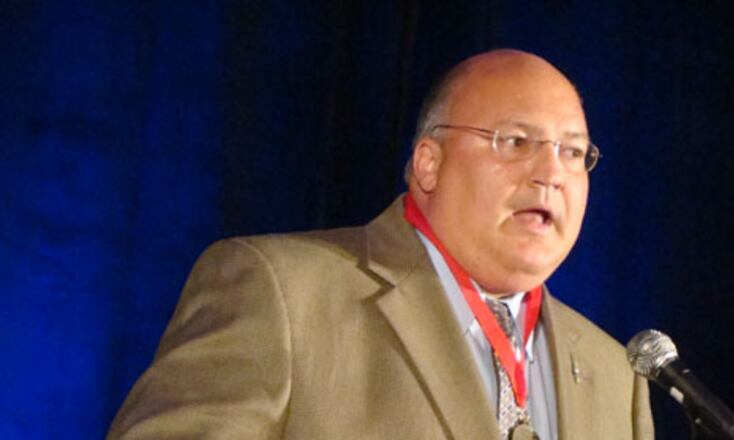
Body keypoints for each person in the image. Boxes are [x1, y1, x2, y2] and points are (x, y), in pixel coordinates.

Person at [108, 49, 654, 439]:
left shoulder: (616, 373)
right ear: (428, 164)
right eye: (515, 142)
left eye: (574, 152)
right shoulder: (282, 293)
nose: (551, 173)